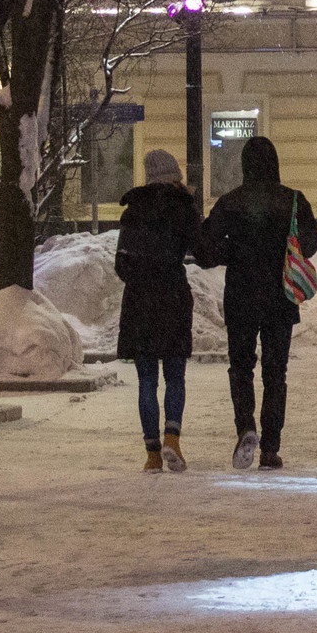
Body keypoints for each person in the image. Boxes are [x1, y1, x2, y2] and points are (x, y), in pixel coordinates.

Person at [199, 135, 312, 470]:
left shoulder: (230, 202)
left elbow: (205, 251)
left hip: (242, 297)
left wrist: (233, 251)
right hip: (280, 298)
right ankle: (271, 446)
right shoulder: (293, 200)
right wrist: (284, 249)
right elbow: (312, 243)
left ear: (244, 165)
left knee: (241, 368)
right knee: (276, 372)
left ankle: (246, 427)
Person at [115, 149, 197, 472]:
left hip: (140, 302)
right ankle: (172, 439)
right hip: (174, 297)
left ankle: (152, 455)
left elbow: (121, 264)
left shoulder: (133, 211)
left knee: (147, 378)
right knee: (175, 375)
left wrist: (140, 276)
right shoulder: (183, 207)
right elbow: (200, 248)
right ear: (172, 175)